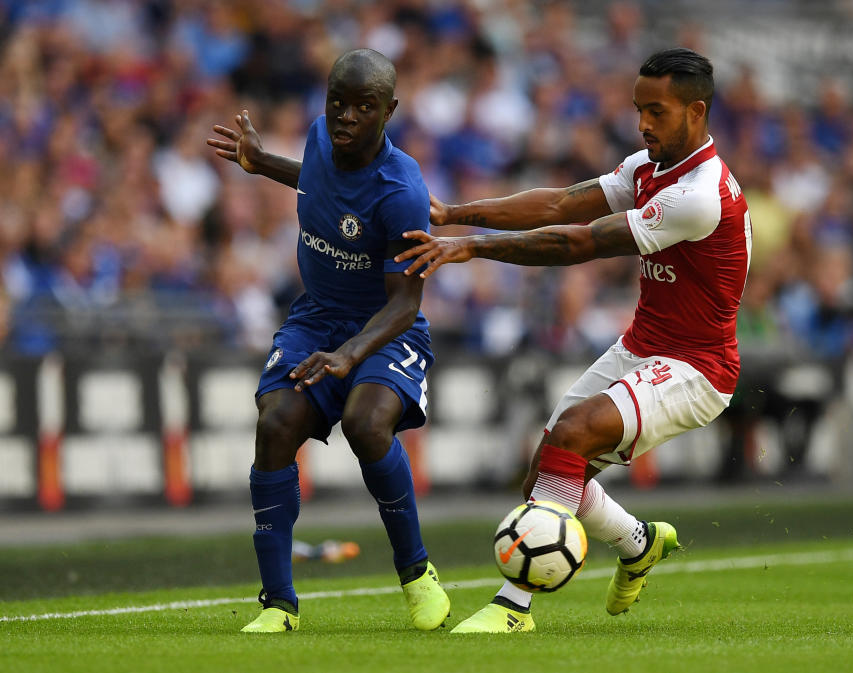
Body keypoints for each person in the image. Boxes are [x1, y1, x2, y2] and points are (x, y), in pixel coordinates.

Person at [397, 48, 751, 633]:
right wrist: (456, 212)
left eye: (656, 112)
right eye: (639, 109)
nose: (642, 123)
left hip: (699, 367)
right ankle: (639, 543)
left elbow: (578, 242)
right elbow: (561, 202)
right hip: (643, 345)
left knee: (574, 433)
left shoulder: (699, 195)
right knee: (548, 471)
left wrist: (474, 246)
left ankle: (514, 609)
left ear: (696, 112)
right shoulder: (647, 166)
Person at [206, 48, 450, 633]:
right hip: (315, 318)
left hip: (384, 330)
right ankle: (278, 605)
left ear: (388, 111)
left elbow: (406, 301)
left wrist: (349, 355)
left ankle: (417, 574)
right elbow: (316, 181)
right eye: (337, 102)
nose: (345, 116)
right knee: (275, 424)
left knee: (368, 425)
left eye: (363, 107)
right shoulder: (319, 137)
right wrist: (262, 162)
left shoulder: (403, 191)